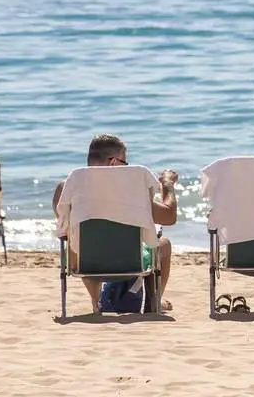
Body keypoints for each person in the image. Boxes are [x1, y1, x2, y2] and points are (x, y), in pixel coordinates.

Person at [52, 134, 178, 313]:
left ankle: (96, 302)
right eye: (125, 163)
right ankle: (154, 302)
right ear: (113, 162)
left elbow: (65, 228)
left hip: (82, 264)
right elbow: (169, 216)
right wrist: (167, 184)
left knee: (80, 241)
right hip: (129, 262)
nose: (126, 168)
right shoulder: (132, 190)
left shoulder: (65, 188)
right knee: (163, 244)